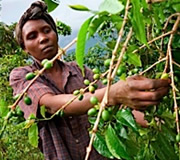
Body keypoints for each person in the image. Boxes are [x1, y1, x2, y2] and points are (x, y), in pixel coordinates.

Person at [9, 1, 170, 159]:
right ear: (24, 48)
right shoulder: (21, 77)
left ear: (55, 34)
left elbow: (118, 106)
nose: (43, 38)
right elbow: (52, 105)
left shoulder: (81, 71)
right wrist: (113, 94)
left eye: (47, 30)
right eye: (32, 36)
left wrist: (160, 122)